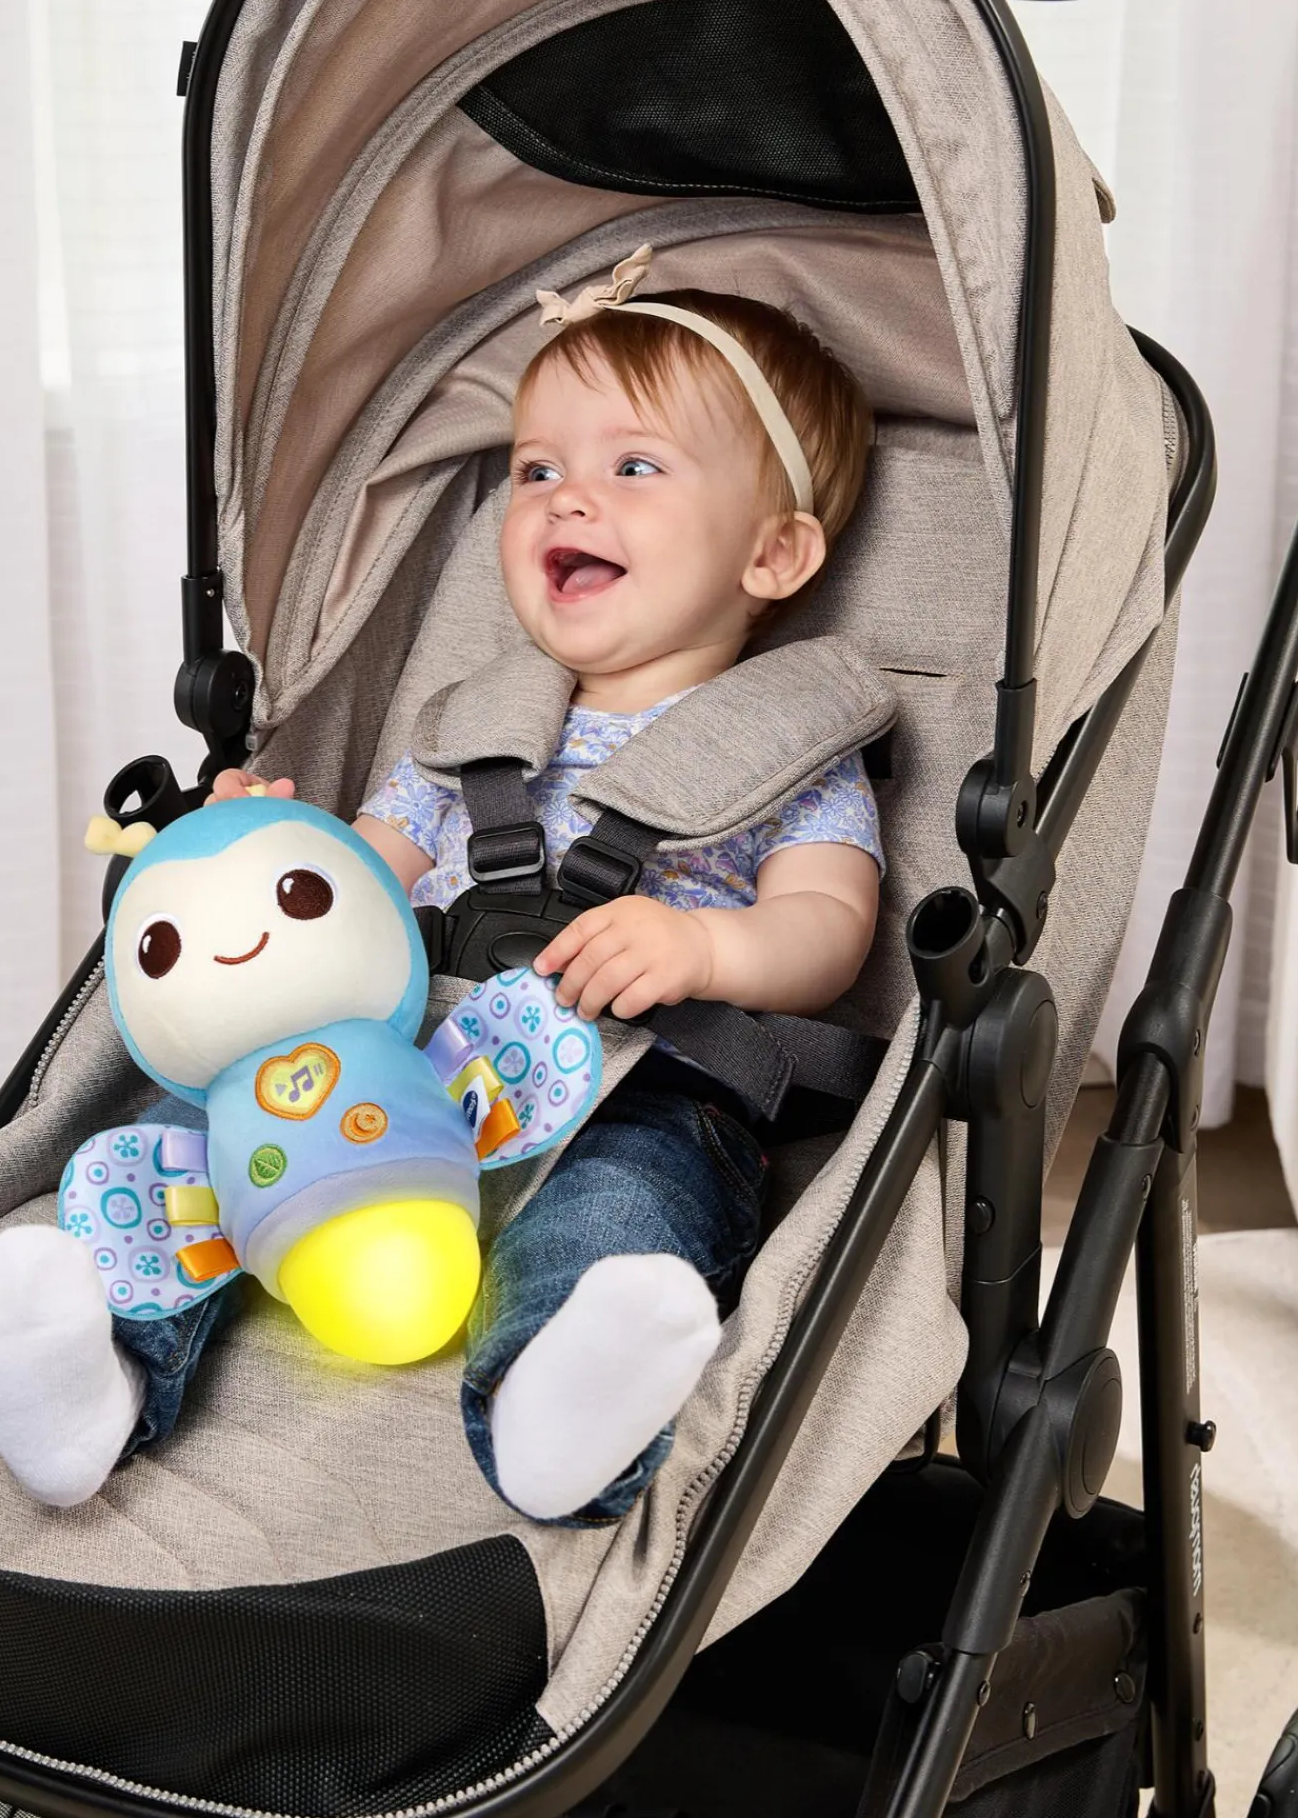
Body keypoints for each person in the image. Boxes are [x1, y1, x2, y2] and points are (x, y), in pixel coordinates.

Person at [211, 247, 883, 1522]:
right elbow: (354, 892)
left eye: (633, 467)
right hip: (406, 1089)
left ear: (773, 553)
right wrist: (262, 860)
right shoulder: (464, 734)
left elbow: (828, 925)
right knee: (236, 1138)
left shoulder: (789, 755)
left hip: (631, 1085)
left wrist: (707, 951)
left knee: (624, 1202)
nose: (566, 497)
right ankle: (109, 1345)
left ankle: (557, 1408)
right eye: (534, 471)